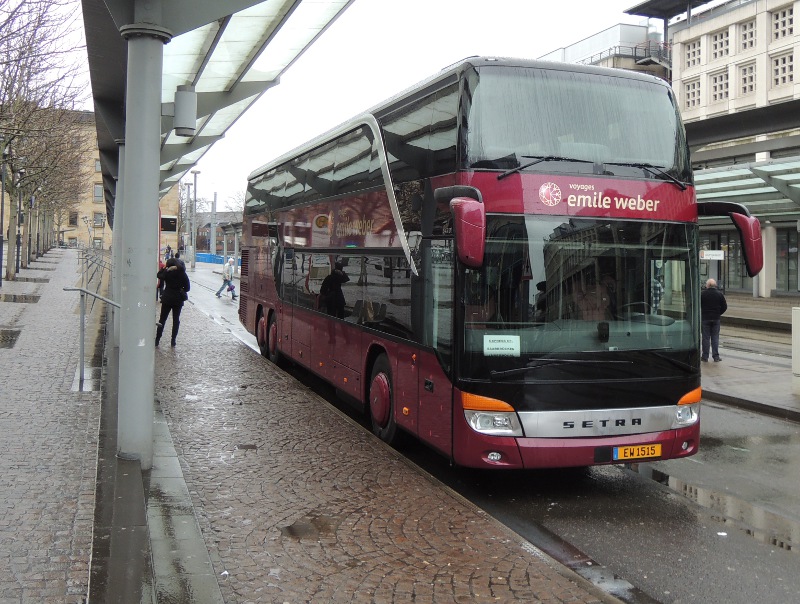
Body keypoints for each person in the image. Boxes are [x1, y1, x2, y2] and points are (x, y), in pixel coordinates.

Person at [156, 257, 191, 347]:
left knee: (162, 319)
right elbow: (187, 288)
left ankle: (157, 340)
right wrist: (180, 288)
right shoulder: (182, 273)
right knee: (176, 320)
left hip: (167, 298)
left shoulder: (167, 273)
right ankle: (173, 341)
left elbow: (159, 275)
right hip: (178, 299)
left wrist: (164, 268)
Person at [700, 278, 727, 362]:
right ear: (715, 285)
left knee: (706, 338)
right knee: (715, 338)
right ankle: (716, 357)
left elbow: (699, 305)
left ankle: (705, 356)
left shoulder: (703, 294)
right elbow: (725, 307)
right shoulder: (719, 294)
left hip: (705, 318)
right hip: (716, 319)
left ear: (707, 285)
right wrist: (718, 313)